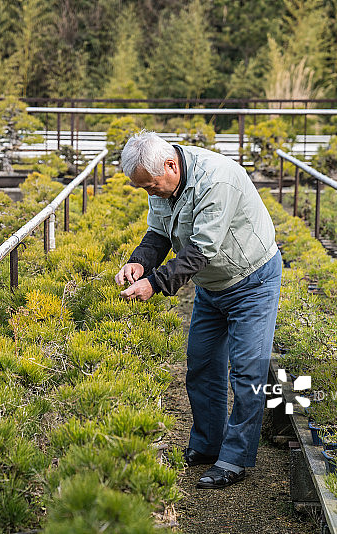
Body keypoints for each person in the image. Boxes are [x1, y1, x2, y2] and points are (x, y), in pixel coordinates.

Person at [115, 131, 281, 489]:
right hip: (212, 284)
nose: (150, 193)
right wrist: (138, 264)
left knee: (248, 374)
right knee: (202, 363)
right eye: (143, 188)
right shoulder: (163, 181)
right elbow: (158, 234)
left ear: (171, 166)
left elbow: (201, 250)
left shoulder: (217, 180)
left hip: (251, 280)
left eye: (151, 186)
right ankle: (208, 446)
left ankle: (234, 459)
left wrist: (155, 283)